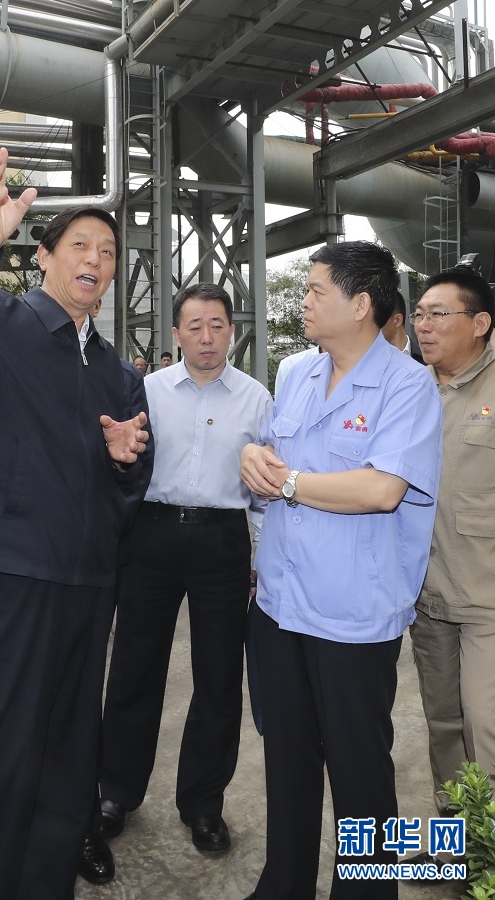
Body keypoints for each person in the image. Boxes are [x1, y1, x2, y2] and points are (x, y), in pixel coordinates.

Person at [0, 147, 150, 900]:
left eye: (107, 251)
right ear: (42, 256)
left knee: (70, 759)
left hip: (89, 584)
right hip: (11, 575)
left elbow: (136, 481)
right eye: (80, 245)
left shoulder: (117, 370)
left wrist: (124, 460)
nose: (96, 259)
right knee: (2, 755)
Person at [240, 241, 443, 900]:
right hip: (280, 604)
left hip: (352, 615)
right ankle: (284, 885)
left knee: (360, 777)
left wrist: (289, 482)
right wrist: (253, 460)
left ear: (360, 305)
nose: (303, 300)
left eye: (315, 289)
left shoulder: (407, 385)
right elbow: (273, 458)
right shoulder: (296, 371)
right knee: (287, 762)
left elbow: (382, 489)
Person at [88, 283, 272, 880]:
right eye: (194, 326)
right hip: (153, 535)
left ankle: (203, 802)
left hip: (223, 540)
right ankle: (116, 791)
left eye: (217, 325)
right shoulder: (148, 391)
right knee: (135, 666)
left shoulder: (256, 399)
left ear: (232, 331)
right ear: (175, 333)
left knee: (219, 676)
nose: (207, 337)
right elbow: (121, 461)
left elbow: (266, 487)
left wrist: (260, 553)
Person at [409, 267, 495, 835]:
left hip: (488, 599)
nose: (424, 325)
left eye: (438, 314)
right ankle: (459, 842)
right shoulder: (411, 391)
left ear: (480, 323)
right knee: (442, 725)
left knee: (485, 725)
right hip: (427, 596)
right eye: (419, 314)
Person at [381, 290, 423, 362]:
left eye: (377, 319)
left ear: (397, 320)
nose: (371, 326)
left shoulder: (426, 358)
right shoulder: (369, 361)